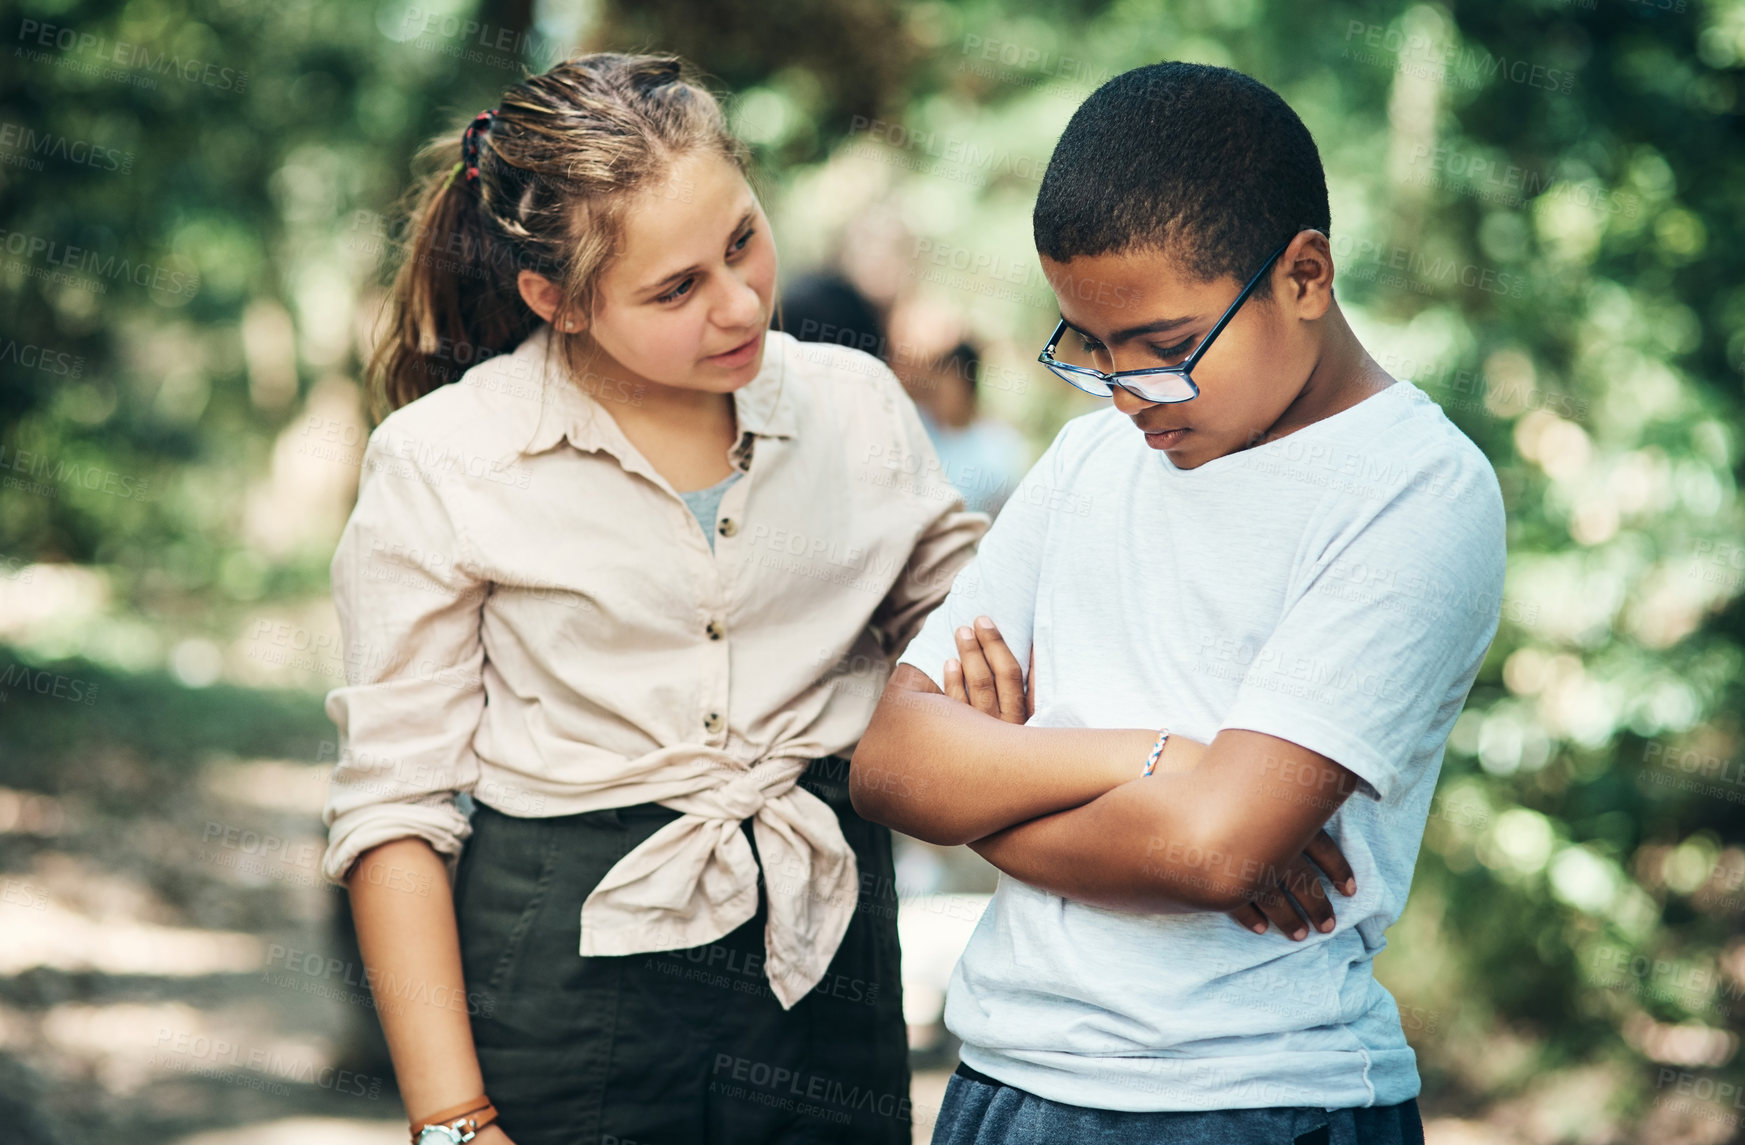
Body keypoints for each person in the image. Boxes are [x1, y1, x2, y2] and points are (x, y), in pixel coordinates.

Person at [319, 52, 988, 1145]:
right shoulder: (443, 458)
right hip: (564, 988)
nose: (736, 305)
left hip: (830, 974)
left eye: (741, 241)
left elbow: (984, 649)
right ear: (556, 298)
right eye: (674, 289)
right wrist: (450, 1115)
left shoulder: (855, 407)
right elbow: (395, 808)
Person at [852, 61, 1506, 1145]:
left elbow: (1215, 852)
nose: (1124, 394)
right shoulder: (1085, 463)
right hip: (1002, 1081)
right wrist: (1155, 755)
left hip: (1249, 1096)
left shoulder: (1414, 488)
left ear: (1303, 275)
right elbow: (886, 763)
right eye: (1090, 349)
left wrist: (988, 790)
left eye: (1164, 351)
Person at [903, 342, 1030, 517]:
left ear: (968, 390)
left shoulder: (999, 445)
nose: (939, 399)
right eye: (936, 389)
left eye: (948, 390)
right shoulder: (916, 428)